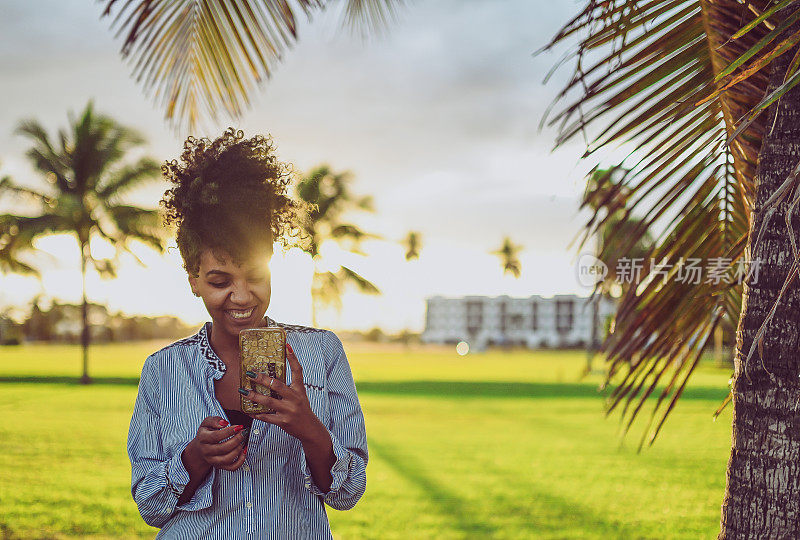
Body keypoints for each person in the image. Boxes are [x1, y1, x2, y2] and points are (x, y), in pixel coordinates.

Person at [127, 128, 368, 539]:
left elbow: (348, 492)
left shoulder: (322, 353)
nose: (241, 296)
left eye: (254, 276)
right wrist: (195, 456)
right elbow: (151, 505)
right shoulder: (163, 369)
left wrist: (309, 429)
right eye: (220, 280)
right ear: (194, 280)